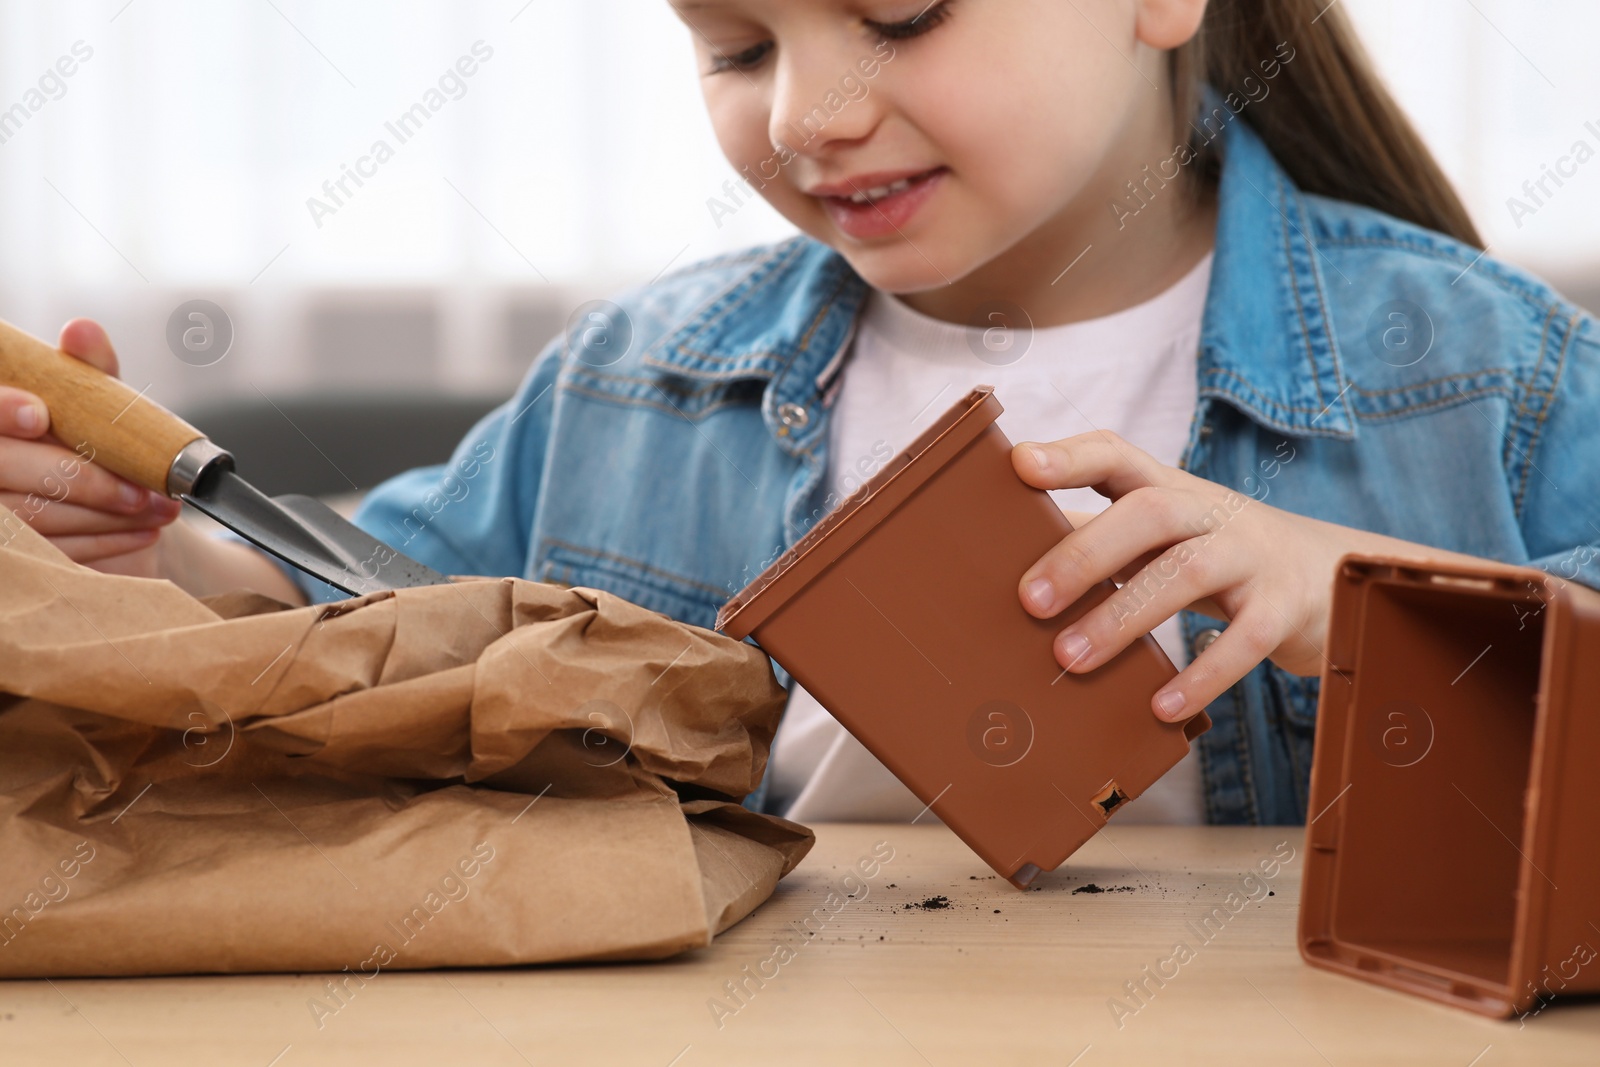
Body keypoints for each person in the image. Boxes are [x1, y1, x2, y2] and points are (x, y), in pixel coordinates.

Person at [2, 0, 1595, 826]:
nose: (806, 117)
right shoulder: (633, 381)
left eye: (899, 15)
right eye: (737, 46)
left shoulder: (1493, 374)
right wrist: (157, 564)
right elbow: (377, 612)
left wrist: (1410, 615)